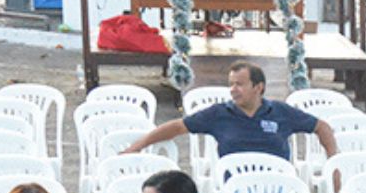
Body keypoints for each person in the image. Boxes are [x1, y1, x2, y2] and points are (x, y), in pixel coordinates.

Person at [120, 62, 338, 164]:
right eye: (231, 84)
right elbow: (177, 127)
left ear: (259, 87)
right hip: (236, 184)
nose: (233, 90)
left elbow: (321, 127)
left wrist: (333, 162)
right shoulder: (218, 114)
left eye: (240, 84)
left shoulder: (280, 112)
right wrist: (137, 146)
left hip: (277, 182)